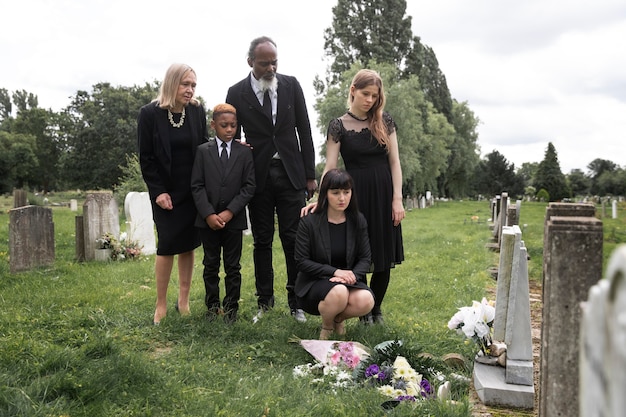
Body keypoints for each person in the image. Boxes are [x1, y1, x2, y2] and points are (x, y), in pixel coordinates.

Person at [225, 36, 317, 323]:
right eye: (265, 63)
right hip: (258, 176)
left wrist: (310, 174)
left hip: (291, 175)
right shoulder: (236, 92)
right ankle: (265, 303)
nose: (271, 68)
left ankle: (296, 302)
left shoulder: (291, 85)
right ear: (251, 61)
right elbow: (231, 136)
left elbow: (304, 129)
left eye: (274, 62)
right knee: (262, 240)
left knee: (293, 240)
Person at [303, 69, 405, 324]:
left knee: (383, 252)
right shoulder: (338, 126)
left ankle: (376, 308)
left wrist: (397, 198)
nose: (370, 100)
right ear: (353, 91)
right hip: (354, 194)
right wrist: (321, 198)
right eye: (365, 94)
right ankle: (363, 307)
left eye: (375, 95)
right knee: (359, 250)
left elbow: (395, 163)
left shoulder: (386, 122)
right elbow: (331, 166)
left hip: (383, 192)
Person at [138, 63, 208, 325]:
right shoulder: (149, 114)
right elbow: (146, 157)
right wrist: (158, 192)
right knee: (167, 245)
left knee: (188, 245)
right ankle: (161, 304)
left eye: (193, 85)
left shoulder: (196, 111)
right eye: (185, 84)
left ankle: (184, 301)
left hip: (192, 189)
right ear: (172, 83)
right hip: (165, 192)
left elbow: (204, 147)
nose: (190, 90)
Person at [190, 103, 255, 324]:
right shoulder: (202, 151)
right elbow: (196, 186)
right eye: (224, 125)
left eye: (233, 126)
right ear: (213, 125)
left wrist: (229, 212)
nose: (229, 130)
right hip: (206, 221)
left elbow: (249, 187)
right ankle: (212, 307)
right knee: (210, 264)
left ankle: (231, 309)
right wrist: (209, 214)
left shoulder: (244, 152)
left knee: (233, 266)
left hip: (233, 221)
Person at [294, 169, 375, 340]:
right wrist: (335, 272)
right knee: (339, 292)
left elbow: (365, 258)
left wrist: (353, 275)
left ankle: (338, 318)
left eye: (346, 192)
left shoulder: (357, 220)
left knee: (366, 300)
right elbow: (301, 261)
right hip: (314, 281)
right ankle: (327, 328)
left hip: (346, 280)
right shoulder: (309, 222)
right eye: (335, 193)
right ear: (325, 194)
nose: (342, 198)